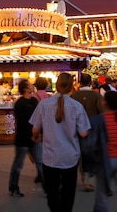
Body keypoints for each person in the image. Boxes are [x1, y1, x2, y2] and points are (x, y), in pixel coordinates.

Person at [29, 73, 90, 212]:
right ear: (71, 86)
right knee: (68, 193)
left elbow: (34, 129)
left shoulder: (44, 104)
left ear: (56, 84)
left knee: (52, 193)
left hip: (50, 156)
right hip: (71, 157)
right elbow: (83, 133)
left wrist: (37, 136)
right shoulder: (77, 106)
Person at [8, 79, 44, 197]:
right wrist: (33, 134)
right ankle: (13, 187)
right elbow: (22, 122)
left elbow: (38, 117)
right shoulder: (20, 103)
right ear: (25, 89)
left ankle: (48, 187)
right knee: (19, 163)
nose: (32, 86)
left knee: (39, 161)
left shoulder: (34, 101)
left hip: (33, 136)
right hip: (24, 138)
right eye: (29, 85)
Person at [83, 91, 117, 212]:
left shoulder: (97, 120)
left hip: (105, 160)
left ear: (105, 103)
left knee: (102, 195)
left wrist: (90, 164)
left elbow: (90, 144)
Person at [71, 72, 103, 192]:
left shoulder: (74, 96)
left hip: (76, 130)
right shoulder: (97, 96)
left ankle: (80, 177)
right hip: (92, 130)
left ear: (80, 82)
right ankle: (89, 179)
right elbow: (101, 113)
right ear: (90, 83)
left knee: (77, 155)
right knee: (90, 154)